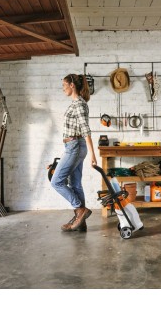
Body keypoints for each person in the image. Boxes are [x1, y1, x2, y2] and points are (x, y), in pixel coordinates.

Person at [51, 73, 97, 232]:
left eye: (64, 85)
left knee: (56, 182)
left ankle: (80, 210)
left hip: (75, 146)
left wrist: (93, 155)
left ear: (72, 85)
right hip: (75, 146)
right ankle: (81, 222)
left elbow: (86, 130)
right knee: (75, 184)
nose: (63, 88)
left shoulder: (78, 104)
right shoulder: (78, 103)